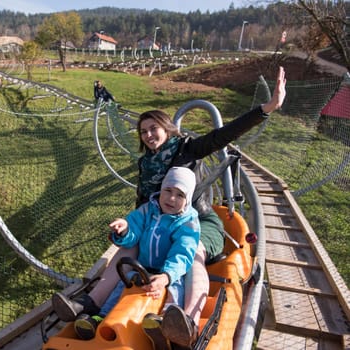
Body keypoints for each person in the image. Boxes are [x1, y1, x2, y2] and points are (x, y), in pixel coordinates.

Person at [52, 66, 287, 348]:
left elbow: (224, 135)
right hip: (159, 220)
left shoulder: (186, 149)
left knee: (194, 251)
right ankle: (89, 305)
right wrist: (126, 229)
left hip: (195, 220)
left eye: (153, 128)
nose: (149, 135)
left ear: (166, 127)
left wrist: (267, 107)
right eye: (143, 132)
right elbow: (143, 207)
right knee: (127, 249)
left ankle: (186, 318)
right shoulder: (146, 163)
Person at [73, 167, 200, 345]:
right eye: (168, 191)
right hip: (142, 266)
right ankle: (101, 318)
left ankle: (166, 325)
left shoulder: (188, 222)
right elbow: (134, 229)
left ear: (187, 200)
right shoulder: (148, 210)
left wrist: (166, 276)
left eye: (180, 195)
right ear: (161, 189)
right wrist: (125, 230)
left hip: (168, 273)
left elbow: (183, 253)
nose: (171, 198)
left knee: (175, 292)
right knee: (122, 286)